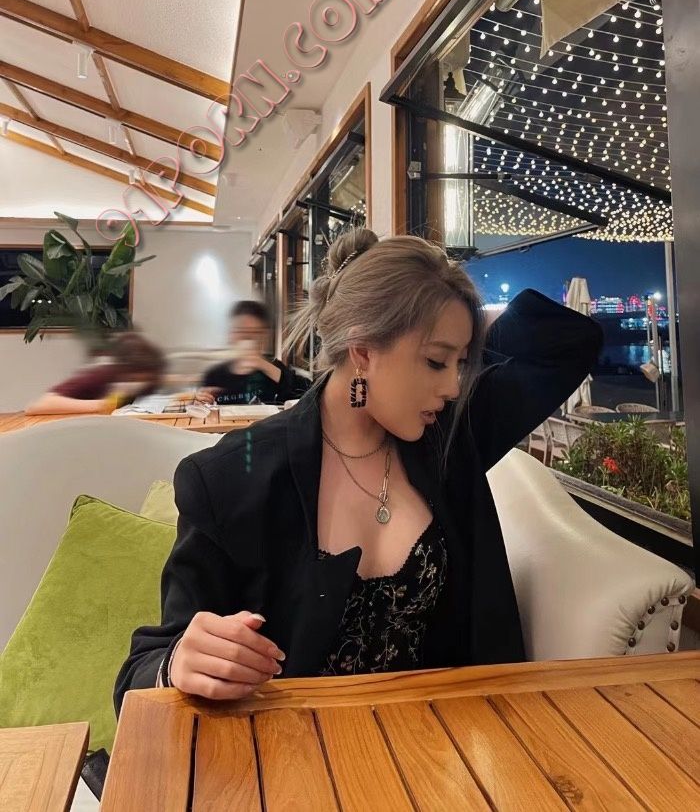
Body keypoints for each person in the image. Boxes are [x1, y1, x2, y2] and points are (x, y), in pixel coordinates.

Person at [115, 229, 602, 710]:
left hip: (449, 739)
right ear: (363, 351)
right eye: (436, 361)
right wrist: (182, 662)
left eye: (461, 363)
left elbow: (570, 341)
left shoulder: (453, 439)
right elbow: (145, 669)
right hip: (296, 748)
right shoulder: (230, 477)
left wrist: (459, 318)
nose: (454, 386)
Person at [25, 331, 166, 416]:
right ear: (122, 370)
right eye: (135, 378)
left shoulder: (150, 378)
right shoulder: (101, 376)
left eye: (147, 378)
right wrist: (102, 405)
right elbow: (38, 405)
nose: (141, 383)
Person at [199, 300, 309, 405]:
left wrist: (261, 364)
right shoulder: (215, 375)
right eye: (241, 331)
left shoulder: (274, 369)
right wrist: (201, 402)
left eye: (255, 332)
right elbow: (203, 408)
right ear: (231, 335)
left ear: (264, 337)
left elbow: (306, 393)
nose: (247, 338)